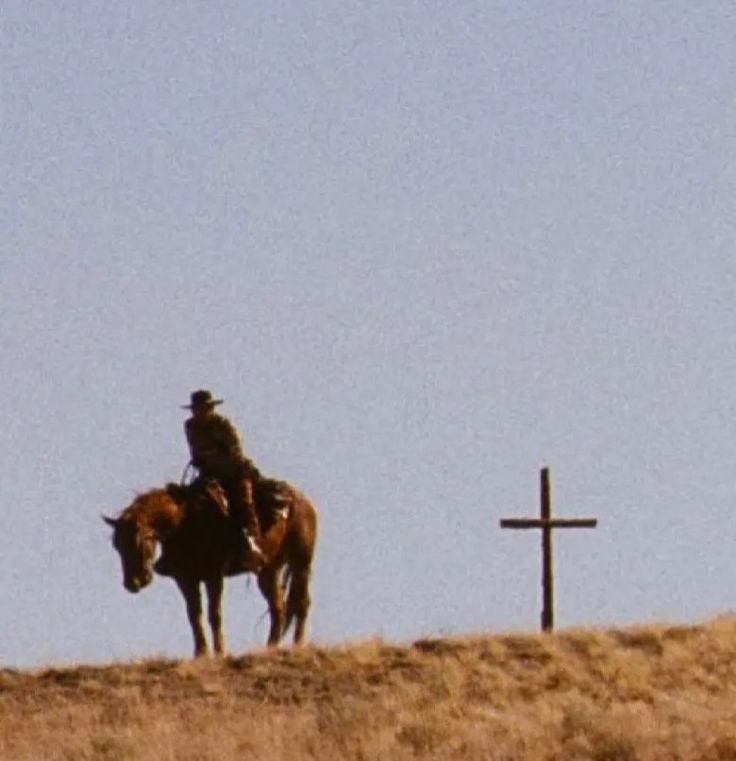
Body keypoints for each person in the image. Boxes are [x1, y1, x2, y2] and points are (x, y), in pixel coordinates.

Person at [181, 389, 266, 572]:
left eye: (204, 408)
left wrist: (213, 456)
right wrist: (201, 460)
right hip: (209, 474)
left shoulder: (223, 424)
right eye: (197, 409)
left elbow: (236, 452)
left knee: (244, 502)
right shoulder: (190, 426)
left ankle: (253, 545)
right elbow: (195, 451)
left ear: (211, 408)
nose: (200, 412)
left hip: (234, 471)